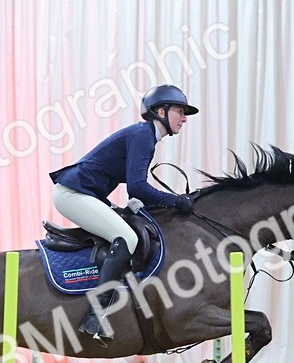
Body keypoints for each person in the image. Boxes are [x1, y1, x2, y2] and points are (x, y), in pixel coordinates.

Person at [49, 84, 197, 343]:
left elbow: (135, 191)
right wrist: (175, 201)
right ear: (161, 111)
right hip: (73, 194)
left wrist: (150, 204)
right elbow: (137, 186)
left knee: (129, 226)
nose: (184, 118)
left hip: (83, 193)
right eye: (180, 111)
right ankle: (96, 315)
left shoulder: (146, 136)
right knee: (127, 238)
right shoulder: (144, 135)